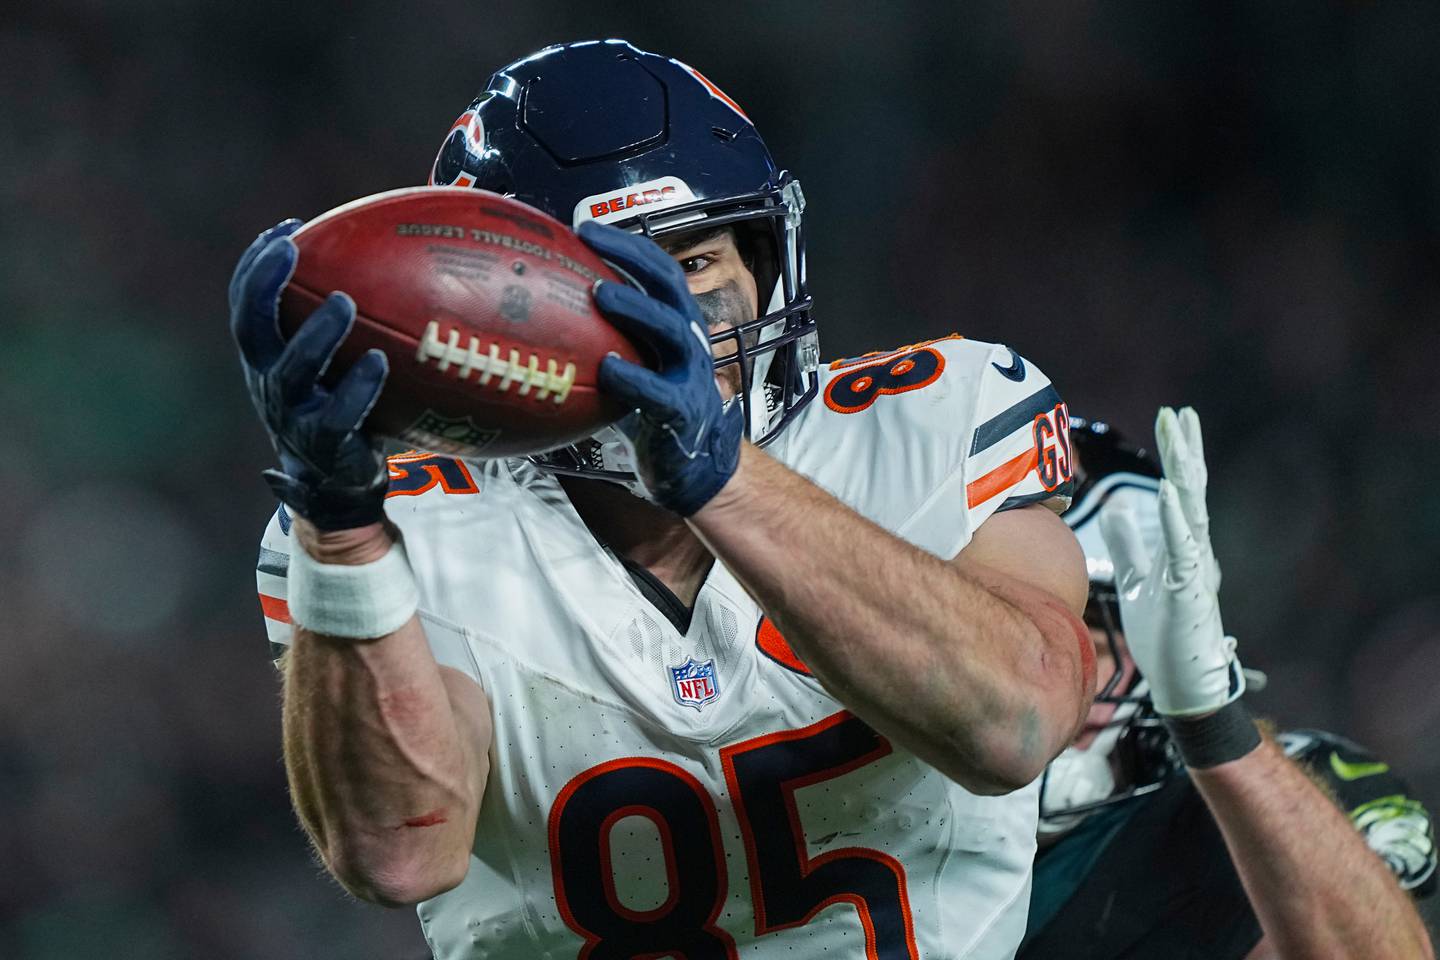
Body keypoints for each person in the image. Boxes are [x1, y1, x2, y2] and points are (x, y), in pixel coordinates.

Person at [236, 40, 1096, 959]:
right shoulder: (410, 523)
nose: (672, 320)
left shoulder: (929, 418)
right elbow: (398, 854)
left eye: (694, 261)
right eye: (610, 288)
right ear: (485, 318)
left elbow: (1017, 725)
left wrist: (722, 479)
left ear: (764, 259)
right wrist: (341, 535)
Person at [1019, 408, 1436, 959]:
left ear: (1158, 644)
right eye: (998, 626)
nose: (1032, 671)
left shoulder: (1244, 817)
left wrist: (1213, 725)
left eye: (1087, 634)